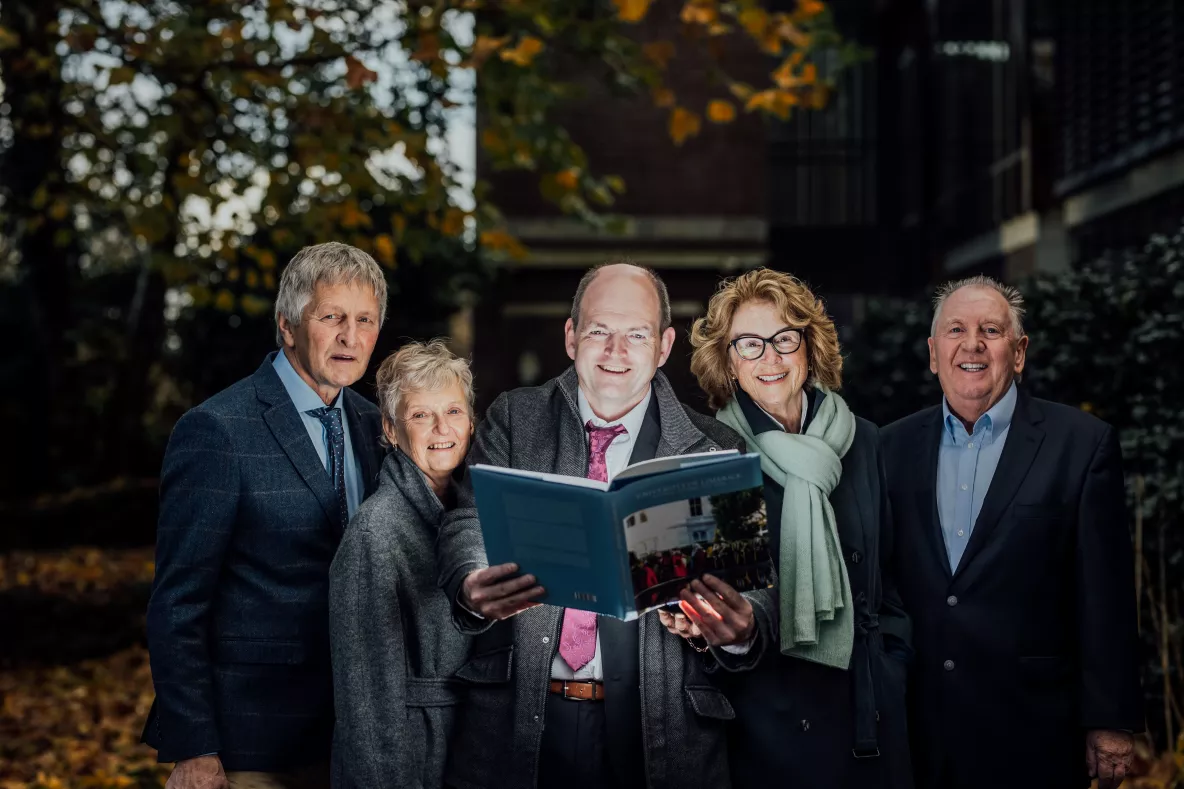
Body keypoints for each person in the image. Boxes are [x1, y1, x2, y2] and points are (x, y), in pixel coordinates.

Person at [435, 261, 744, 789]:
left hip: (662, 732)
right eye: (599, 331)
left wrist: (733, 628)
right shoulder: (514, 417)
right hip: (517, 723)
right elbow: (467, 519)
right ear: (572, 337)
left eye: (636, 335)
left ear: (665, 346)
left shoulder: (713, 447)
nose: (616, 352)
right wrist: (472, 581)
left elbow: (750, 590)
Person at [881, 275, 1143, 789]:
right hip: (917, 732)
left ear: (1018, 352)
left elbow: (1106, 595)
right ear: (934, 354)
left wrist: (1110, 718)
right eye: (955, 330)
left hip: (1032, 730)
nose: (972, 344)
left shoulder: (1081, 445)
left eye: (991, 330)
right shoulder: (889, 449)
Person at [142, 242, 389, 789]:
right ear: (288, 324)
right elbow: (177, 603)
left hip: (352, 738)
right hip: (246, 743)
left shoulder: (378, 429)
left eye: (365, 320)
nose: (351, 336)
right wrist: (195, 747)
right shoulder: (217, 431)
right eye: (332, 317)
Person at [666, 268, 912, 788]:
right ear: (728, 362)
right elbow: (702, 599)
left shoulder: (865, 441)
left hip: (865, 718)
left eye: (784, 339)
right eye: (749, 345)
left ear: (809, 346)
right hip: (763, 722)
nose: (770, 358)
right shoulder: (708, 453)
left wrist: (892, 670)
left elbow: (893, 583)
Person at [329, 340, 477, 789]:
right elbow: (366, 705)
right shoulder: (375, 531)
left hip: (477, 744)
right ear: (391, 430)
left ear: (471, 420)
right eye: (420, 415)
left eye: (452, 411)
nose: (440, 429)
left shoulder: (483, 512)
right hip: (413, 755)